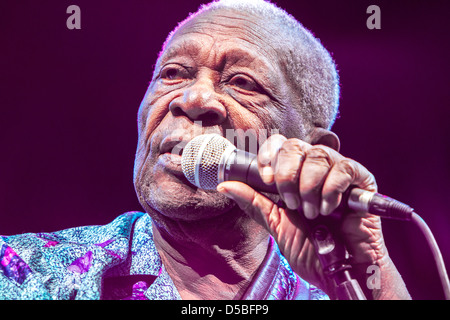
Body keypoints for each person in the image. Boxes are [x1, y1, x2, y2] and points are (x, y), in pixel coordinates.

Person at [0, 0, 410, 300]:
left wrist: (369, 280)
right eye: (173, 73)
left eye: (242, 82)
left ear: (309, 151)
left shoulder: (343, 291)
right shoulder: (24, 273)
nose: (194, 99)